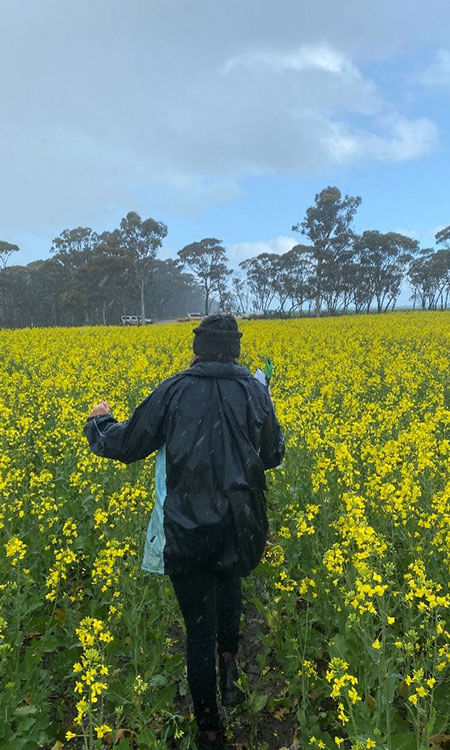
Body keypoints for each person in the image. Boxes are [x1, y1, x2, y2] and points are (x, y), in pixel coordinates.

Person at [84, 314, 284, 749]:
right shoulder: (254, 391)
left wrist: (99, 422)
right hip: (239, 525)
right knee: (230, 587)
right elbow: (272, 455)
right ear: (235, 350)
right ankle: (229, 667)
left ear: (197, 348)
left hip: (188, 531)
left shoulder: (174, 390)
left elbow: (127, 445)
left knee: (198, 629)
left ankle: (210, 730)